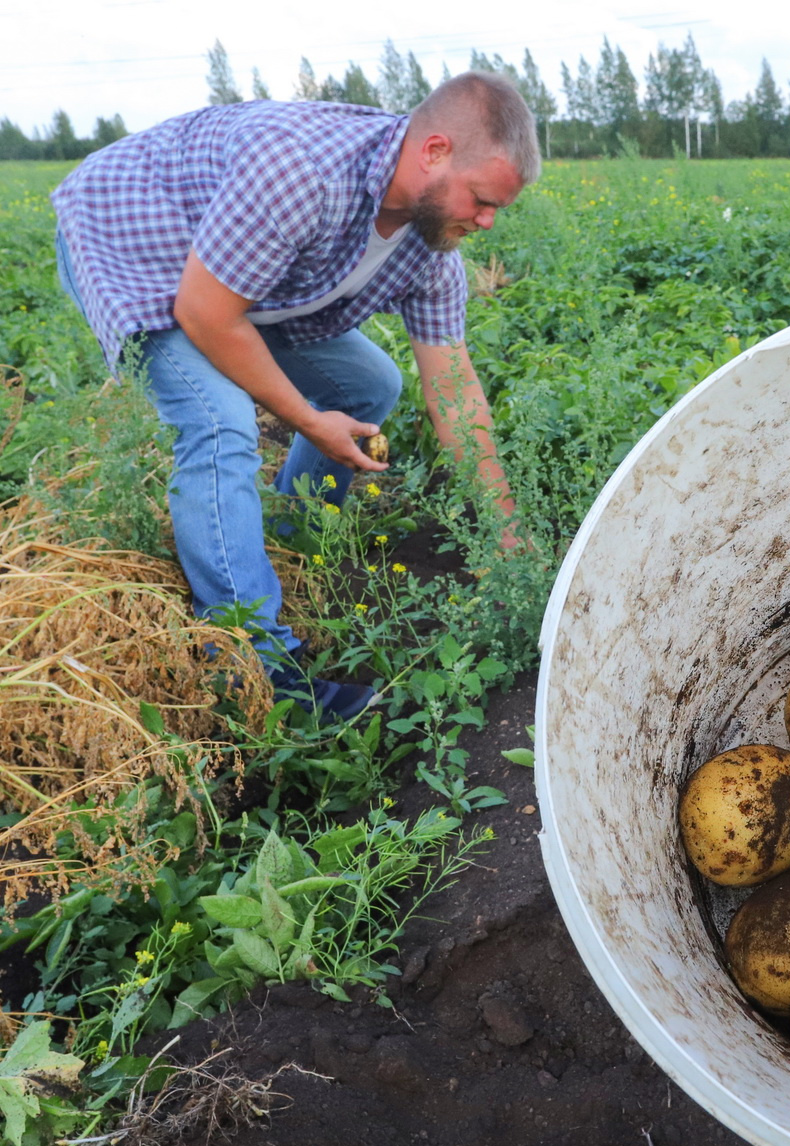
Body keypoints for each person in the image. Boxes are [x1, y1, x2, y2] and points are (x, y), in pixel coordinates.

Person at [52, 72, 535, 718]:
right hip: (137, 247)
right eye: (481, 199)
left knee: (370, 383)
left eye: (497, 207)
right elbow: (205, 310)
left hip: (238, 276)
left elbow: (453, 389)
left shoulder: (430, 250)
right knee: (219, 421)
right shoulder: (302, 172)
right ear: (434, 153)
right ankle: (253, 666)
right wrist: (307, 420)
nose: (488, 221)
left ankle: (285, 532)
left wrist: (506, 532)